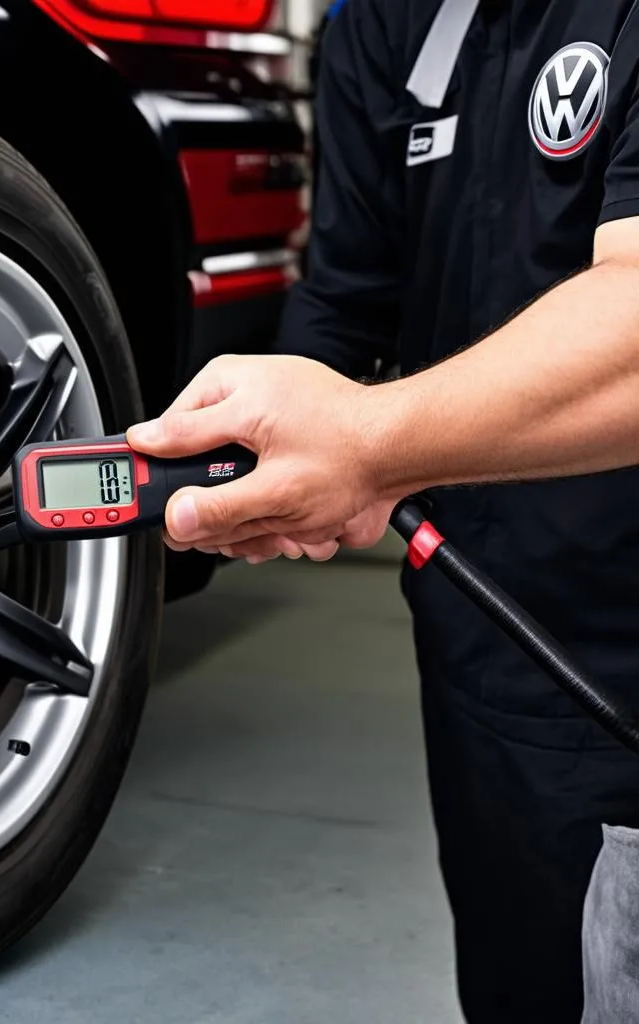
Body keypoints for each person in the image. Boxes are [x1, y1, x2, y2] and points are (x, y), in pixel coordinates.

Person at [126, 2, 639, 1022]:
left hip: (620, 628)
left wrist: (365, 445)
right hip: (469, 610)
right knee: (519, 971)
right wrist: (260, 452)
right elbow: (347, 291)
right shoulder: (384, 23)